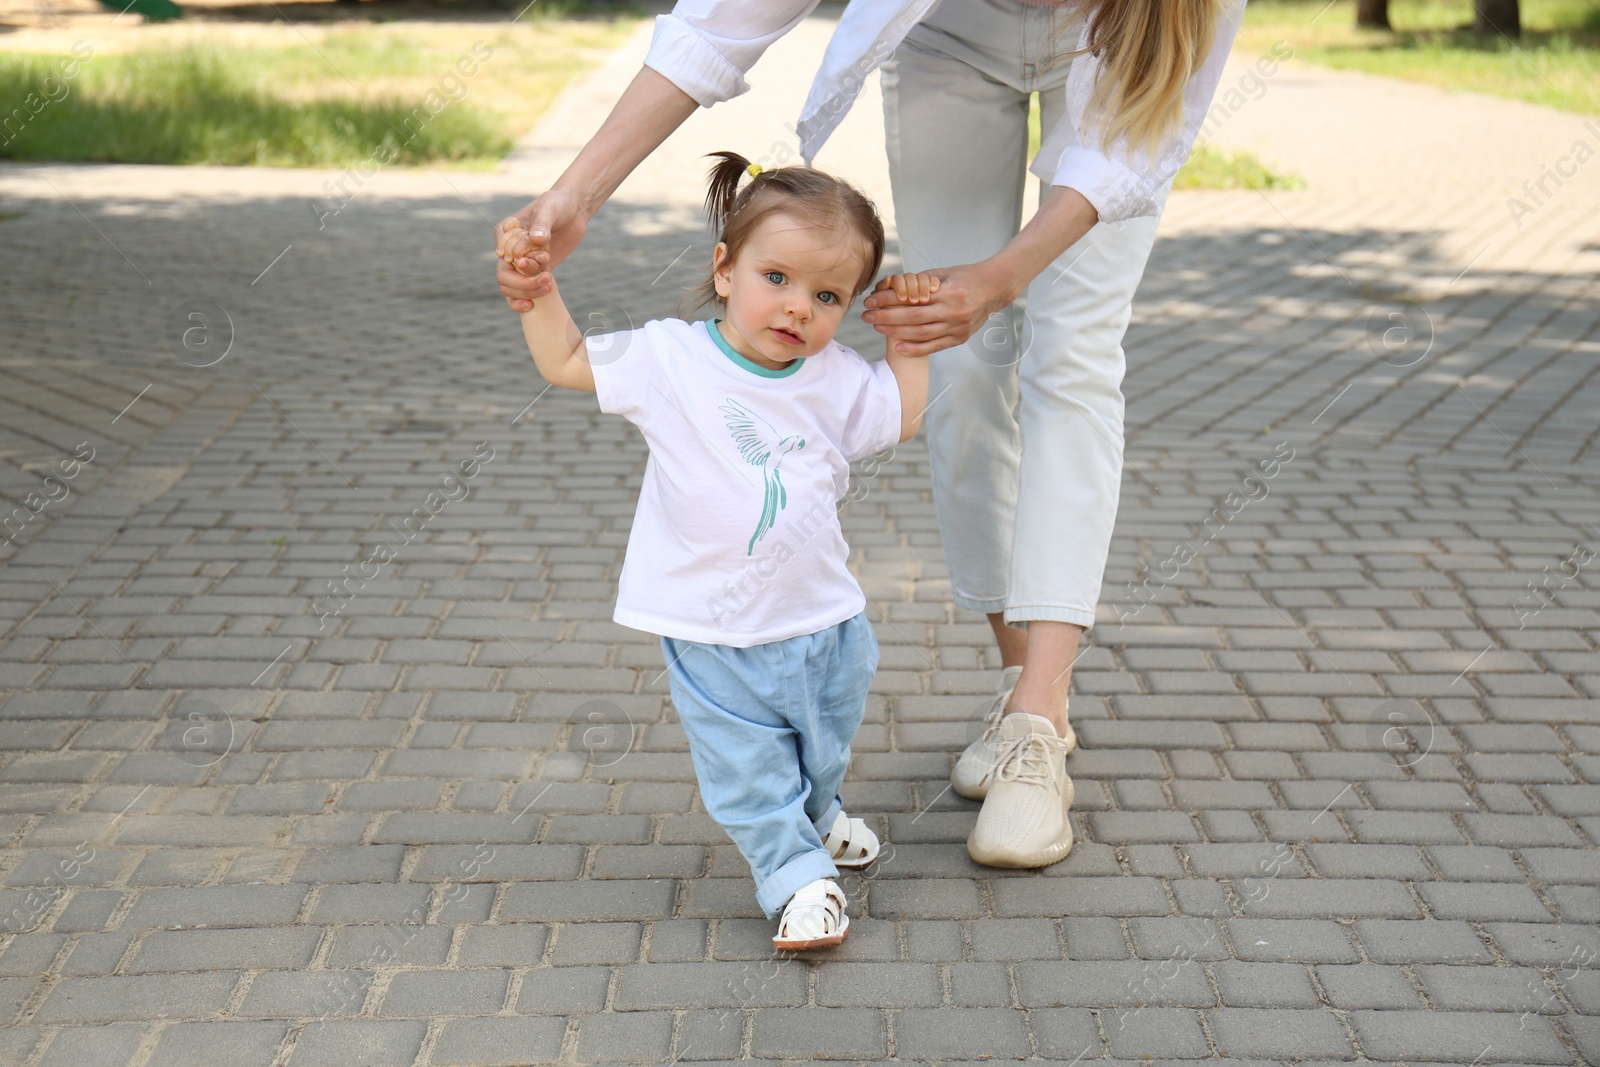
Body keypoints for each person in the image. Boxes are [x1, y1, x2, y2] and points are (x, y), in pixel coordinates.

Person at [496, 0, 1244, 870]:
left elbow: (1125, 158)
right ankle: (1015, 684)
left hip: (1125, 39)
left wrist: (1002, 278)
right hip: (955, 35)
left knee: (1072, 357)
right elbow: (721, 20)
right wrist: (574, 191)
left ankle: (1042, 718)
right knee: (955, 360)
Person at [501, 150, 937, 949]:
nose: (799, 307)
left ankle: (819, 812)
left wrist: (911, 345)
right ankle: (798, 877)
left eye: (828, 294)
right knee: (747, 769)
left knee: (823, 745)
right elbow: (566, 360)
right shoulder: (671, 360)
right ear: (725, 269)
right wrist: (538, 292)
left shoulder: (835, 376)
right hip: (711, 627)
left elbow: (901, 417)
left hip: (823, 619)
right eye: (777, 277)